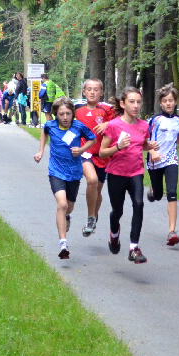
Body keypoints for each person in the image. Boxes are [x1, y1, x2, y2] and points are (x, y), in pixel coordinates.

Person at [99, 87, 159, 264]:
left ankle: (134, 247)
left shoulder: (143, 126)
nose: (136, 106)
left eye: (138, 102)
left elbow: (141, 145)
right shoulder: (113, 125)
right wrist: (118, 147)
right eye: (132, 102)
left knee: (139, 204)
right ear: (122, 104)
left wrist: (151, 146)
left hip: (136, 172)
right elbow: (102, 153)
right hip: (116, 173)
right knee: (117, 211)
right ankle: (114, 233)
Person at [34, 97, 97, 259]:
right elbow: (44, 133)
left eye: (68, 113)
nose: (65, 117)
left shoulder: (78, 126)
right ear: (56, 114)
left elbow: (92, 139)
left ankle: (67, 216)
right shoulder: (50, 125)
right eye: (61, 114)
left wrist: (81, 150)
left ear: (73, 114)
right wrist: (41, 150)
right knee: (61, 204)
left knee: (69, 207)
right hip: (56, 171)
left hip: (74, 172)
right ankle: (63, 243)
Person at [146, 83, 179, 246]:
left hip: (171, 159)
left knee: (172, 192)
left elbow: (177, 137)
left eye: (171, 100)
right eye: (165, 100)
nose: (168, 103)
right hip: (155, 161)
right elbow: (144, 137)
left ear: (175, 102)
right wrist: (152, 152)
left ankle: (172, 231)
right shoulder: (155, 120)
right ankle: (153, 190)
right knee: (158, 195)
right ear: (160, 103)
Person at [74, 78, 115, 237]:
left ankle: (94, 216)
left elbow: (120, 123)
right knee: (91, 180)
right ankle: (91, 217)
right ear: (84, 91)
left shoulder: (107, 109)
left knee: (97, 188)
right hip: (85, 152)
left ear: (102, 92)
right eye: (89, 89)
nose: (92, 92)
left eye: (96, 89)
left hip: (102, 155)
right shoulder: (76, 107)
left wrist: (107, 125)